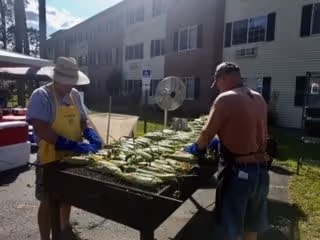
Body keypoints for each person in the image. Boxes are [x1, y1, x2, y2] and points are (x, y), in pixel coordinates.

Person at [185, 62, 270, 240]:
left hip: (239, 174)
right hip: (261, 173)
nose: (217, 88)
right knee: (251, 226)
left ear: (222, 78)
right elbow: (246, 130)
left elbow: (206, 134)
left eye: (217, 83)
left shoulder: (225, 99)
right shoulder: (258, 97)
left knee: (231, 230)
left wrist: (195, 149)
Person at [26, 57, 103, 240]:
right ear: (57, 79)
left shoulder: (74, 95)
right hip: (50, 159)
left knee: (68, 196)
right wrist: (70, 144)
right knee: (47, 201)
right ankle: (46, 237)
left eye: (73, 82)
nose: (71, 86)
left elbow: (83, 120)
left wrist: (91, 135)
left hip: (72, 158)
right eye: (68, 82)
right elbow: (41, 128)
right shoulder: (41, 96)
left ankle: (64, 228)